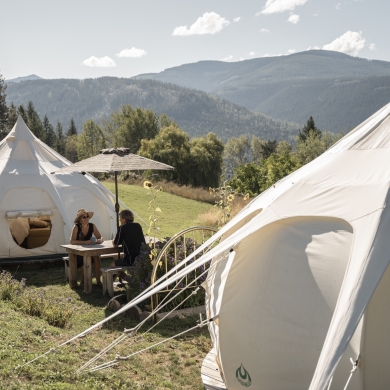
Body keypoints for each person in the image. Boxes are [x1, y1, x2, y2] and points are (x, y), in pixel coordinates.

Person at [70, 208, 103, 287]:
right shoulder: (76, 227)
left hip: (89, 250)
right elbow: (72, 241)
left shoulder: (92, 226)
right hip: (78, 251)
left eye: (87, 216)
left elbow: (100, 236)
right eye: (84, 217)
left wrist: (100, 240)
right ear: (80, 219)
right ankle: (83, 282)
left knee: (96, 257)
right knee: (84, 258)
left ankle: (98, 281)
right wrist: (85, 242)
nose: (86, 219)